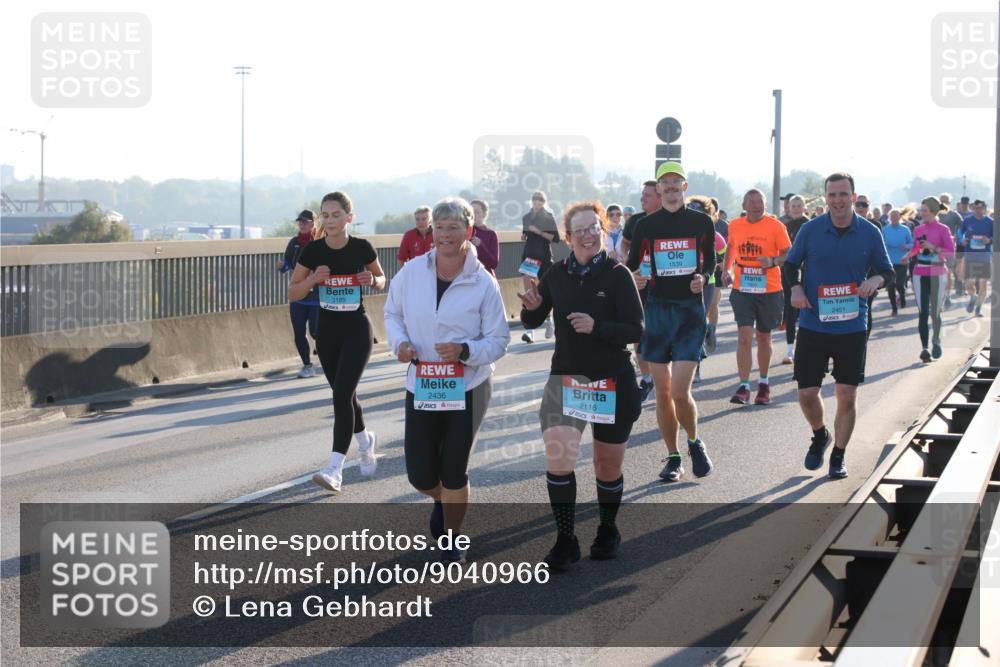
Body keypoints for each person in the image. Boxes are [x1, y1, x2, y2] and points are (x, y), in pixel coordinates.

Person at [384, 197, 509, 563]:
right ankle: (445, 500)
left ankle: (452, 538)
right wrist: (400, 344)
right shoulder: (412, 272)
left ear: (468, 232)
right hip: (423, 382)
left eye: (453, 227)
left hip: (469, 385)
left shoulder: (482, 281)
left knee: (454, 470)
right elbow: (392, 313)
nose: (445, 235)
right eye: (439, 227)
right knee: (421, 475)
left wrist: (466, 350)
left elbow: (499, 340)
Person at [519, 201, 643, 571]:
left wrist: (597, 327)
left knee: (607, 465)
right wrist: (532, 306)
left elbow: (636, 330)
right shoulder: (557, 274)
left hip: (611, 380)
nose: (588, 235)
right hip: (567, 378)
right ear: (568, 237)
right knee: (559, 461)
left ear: (603, 231)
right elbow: (532, 318)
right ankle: (565, 539)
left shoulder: (618, 275)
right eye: (580, 230)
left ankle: (607, 529)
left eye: (594, 228)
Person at [785, 173, 894, 479]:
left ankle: (839, 455)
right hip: (813, 323)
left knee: (846, 394)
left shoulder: (870, 232)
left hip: (852, 325)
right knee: (807, 394)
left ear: (853, 196)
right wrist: (796, 288)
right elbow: (790, 265)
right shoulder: (810, 230)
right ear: (826, 198)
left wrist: (875, 280)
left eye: (843, 194)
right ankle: (820, 434)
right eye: (832, 195)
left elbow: (888, 272)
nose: (837, 200)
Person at [290, 192, 387, 492]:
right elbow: (293, 292)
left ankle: (335, 468)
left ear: (349, 218)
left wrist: (372, 281)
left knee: (342, 395)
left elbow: (381, 279)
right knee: (345, 395)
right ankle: (365, 440)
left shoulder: (361, 247)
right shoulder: (313, 251)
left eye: (336, 214)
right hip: (327, 332)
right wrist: (312, 280)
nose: (330, 220)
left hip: (357, 328)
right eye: (325, 215)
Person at [626, 161, 715, 482]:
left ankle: (694, 440)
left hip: (689, 313)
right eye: (666, 182)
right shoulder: (646, 226)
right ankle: (674, 457)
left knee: (679, 392)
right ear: (659, 188)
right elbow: (632, 266)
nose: (671, 186)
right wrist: (635, 277)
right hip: (657, 312)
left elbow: (711, 263)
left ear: (684, 186)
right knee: (662, 393)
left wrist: (703, 278)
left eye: (677, 181)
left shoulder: (701, 222)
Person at [724, 189, 791, 405]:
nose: (756, 205)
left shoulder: (776, 226)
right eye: (752, 202)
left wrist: (772, 261)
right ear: (744, 206)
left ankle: (763, 383)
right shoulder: (735, 225)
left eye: (760, 201)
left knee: (763, 337)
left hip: (769, 290)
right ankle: (744, 386)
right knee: (744, 337)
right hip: (742, 289)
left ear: (765, 205)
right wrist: (726, 270)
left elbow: (788, 253)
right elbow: (732, 247)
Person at [621, 180, 662, 402]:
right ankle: (647, 378)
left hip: (666, 286)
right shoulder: (636, 221)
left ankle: (664, 374)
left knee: (661, 332)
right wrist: (627, 263)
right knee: (640, 330)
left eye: (647, 195)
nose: (642, 199)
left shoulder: (670, 219)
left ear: (659, 197)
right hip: (641, 282)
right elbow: (625, 243)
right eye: (642, 194)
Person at [908, 197, 955, 362]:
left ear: (933, 212)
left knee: (935, 312)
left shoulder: (943, 229)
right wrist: (909, 254)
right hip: (919, 272)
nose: (922, 213)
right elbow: (916, 248)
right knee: (923, 312)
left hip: (938, 272)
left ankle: (936, 342)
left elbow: (950, 253)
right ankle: (924, 348)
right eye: (921, 210)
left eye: (925, 210)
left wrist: (933, 247)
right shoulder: (918, 229)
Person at [277, 209, 321, 378]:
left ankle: (330, 355)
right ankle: (307, 365)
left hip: (316, 296)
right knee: (299, 331)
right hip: (297, 295)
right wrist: (283, 266)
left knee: (316, 332)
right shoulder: (294, 242)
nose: (302, 224)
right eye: (300, 222)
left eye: (305, 222)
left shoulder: (320, 242)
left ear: (313, 223)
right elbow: (288, 263)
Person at [520, 191, 560, 343]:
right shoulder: (526, 217)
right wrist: (524, 236)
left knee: (546, 293)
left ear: (544, 202)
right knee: (529, 293)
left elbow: (556, 238)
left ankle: (549, 322)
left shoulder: (548, 217)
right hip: (530, 257)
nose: (537, 202)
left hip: (544, 258)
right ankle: (529, 331)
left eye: (540, 200)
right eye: (535, 199)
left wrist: (539, 232)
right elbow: (525, 234)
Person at [781, 195, 810, 364]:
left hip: (808, 270)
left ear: (804, 207)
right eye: (794, 205)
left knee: (808, 307)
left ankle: (808, 347)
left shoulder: (810, 225)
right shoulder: (784, 225)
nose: (797, 208)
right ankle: (790, 350)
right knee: (790, 308)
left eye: (799, 205)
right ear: (789, 208)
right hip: (789, 270)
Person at [959, 199, 994, 317]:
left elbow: (996, 236)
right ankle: (973, 297)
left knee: (983, 283)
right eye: (975, 208)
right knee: (969, 283)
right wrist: (962, 240)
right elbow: (960, 232)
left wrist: (989, 240)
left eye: (980, 208)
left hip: (984, 255)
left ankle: (978, 308)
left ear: (985, 208)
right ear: (973, 208)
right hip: (970, 254)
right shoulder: (968, 220)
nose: (978, 210)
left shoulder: (990, 222)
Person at [882, 209, 913, 315]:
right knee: (890, 285)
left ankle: (902, 297)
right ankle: (894, 308)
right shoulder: (885, 229)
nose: (894, 218)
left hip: (902, 260)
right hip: (889, 261)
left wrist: (906, 246)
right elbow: (881, 244)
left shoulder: (905, 229)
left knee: (899, 284)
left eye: (896, 216)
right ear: (889, 217)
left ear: (899, 217)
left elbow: (912, 244)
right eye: (892, 216)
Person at [939, 193, 965, 298]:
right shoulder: (934, 214)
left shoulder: (954, 214)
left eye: (946, 201)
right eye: (942, 201)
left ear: (949, 202)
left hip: (950, 246)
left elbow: (963, 227)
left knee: (950, 270)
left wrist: (957, 237)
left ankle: (954, 291)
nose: (944, 203)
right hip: (935, 247)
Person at [470, 199, 499, 276]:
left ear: (484, 215)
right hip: (466, 278)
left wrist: (480, 245)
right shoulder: (463, 231)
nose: (473, 215)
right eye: (471, 211)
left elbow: (494, 263)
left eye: (477, 212)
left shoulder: (491, 234)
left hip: (485, 277)